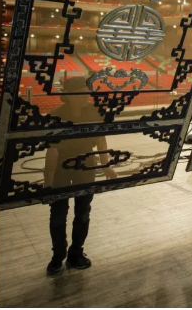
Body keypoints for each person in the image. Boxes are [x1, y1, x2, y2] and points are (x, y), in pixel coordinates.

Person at [45, 77, 118, 275]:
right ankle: (57, 255)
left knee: (83, 211)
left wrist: (106, 166)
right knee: (58, 213)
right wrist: (48, 182)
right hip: (61, 165)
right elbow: (52, 151)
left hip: (86, 164)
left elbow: (101, 140)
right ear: (69, 95)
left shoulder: (94, 111)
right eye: (82, 91)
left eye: (88, 91)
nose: (87, 95)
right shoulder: (55, 115)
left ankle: (76, 252)